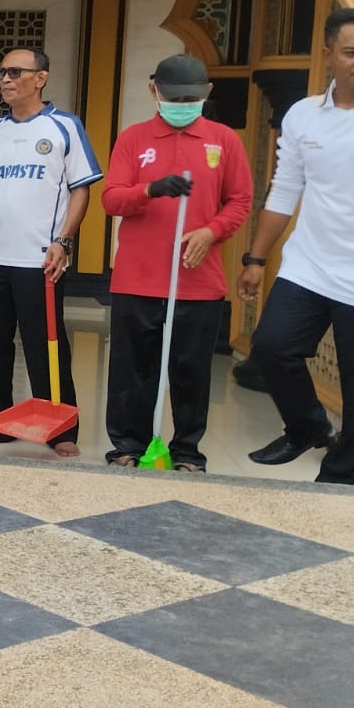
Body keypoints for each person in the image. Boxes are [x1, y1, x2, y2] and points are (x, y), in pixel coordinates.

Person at [238, 8, 354, 485]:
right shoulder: (303, 114)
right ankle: (307, 427)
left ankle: (341, 476)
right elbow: (285, 190)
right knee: (271, 345)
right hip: (309, 265)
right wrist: (256, 258)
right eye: (352, 52)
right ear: (328, 56)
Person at [100, 53, 251, 470]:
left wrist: (211, 232)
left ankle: (187, 450)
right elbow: (111, 199)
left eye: (190, 98)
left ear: (207, 93)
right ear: (154, 91)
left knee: (191, 369)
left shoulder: (224, 141)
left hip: (197, 278)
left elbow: (240, 200)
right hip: (138, 276)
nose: (182, 105)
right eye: (173, 97)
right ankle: (128, 445)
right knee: (133, 367)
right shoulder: (133, 139)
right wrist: (149, 190)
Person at [0, 48, 102, 457]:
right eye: (2, 72)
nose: (5, 79)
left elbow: (81, 189)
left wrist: (64, 240)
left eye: (16, 72)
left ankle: (61, 429)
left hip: (40, 261)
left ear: (40, 78)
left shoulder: (64, 126)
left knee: (47, 345)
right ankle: (1, 422)